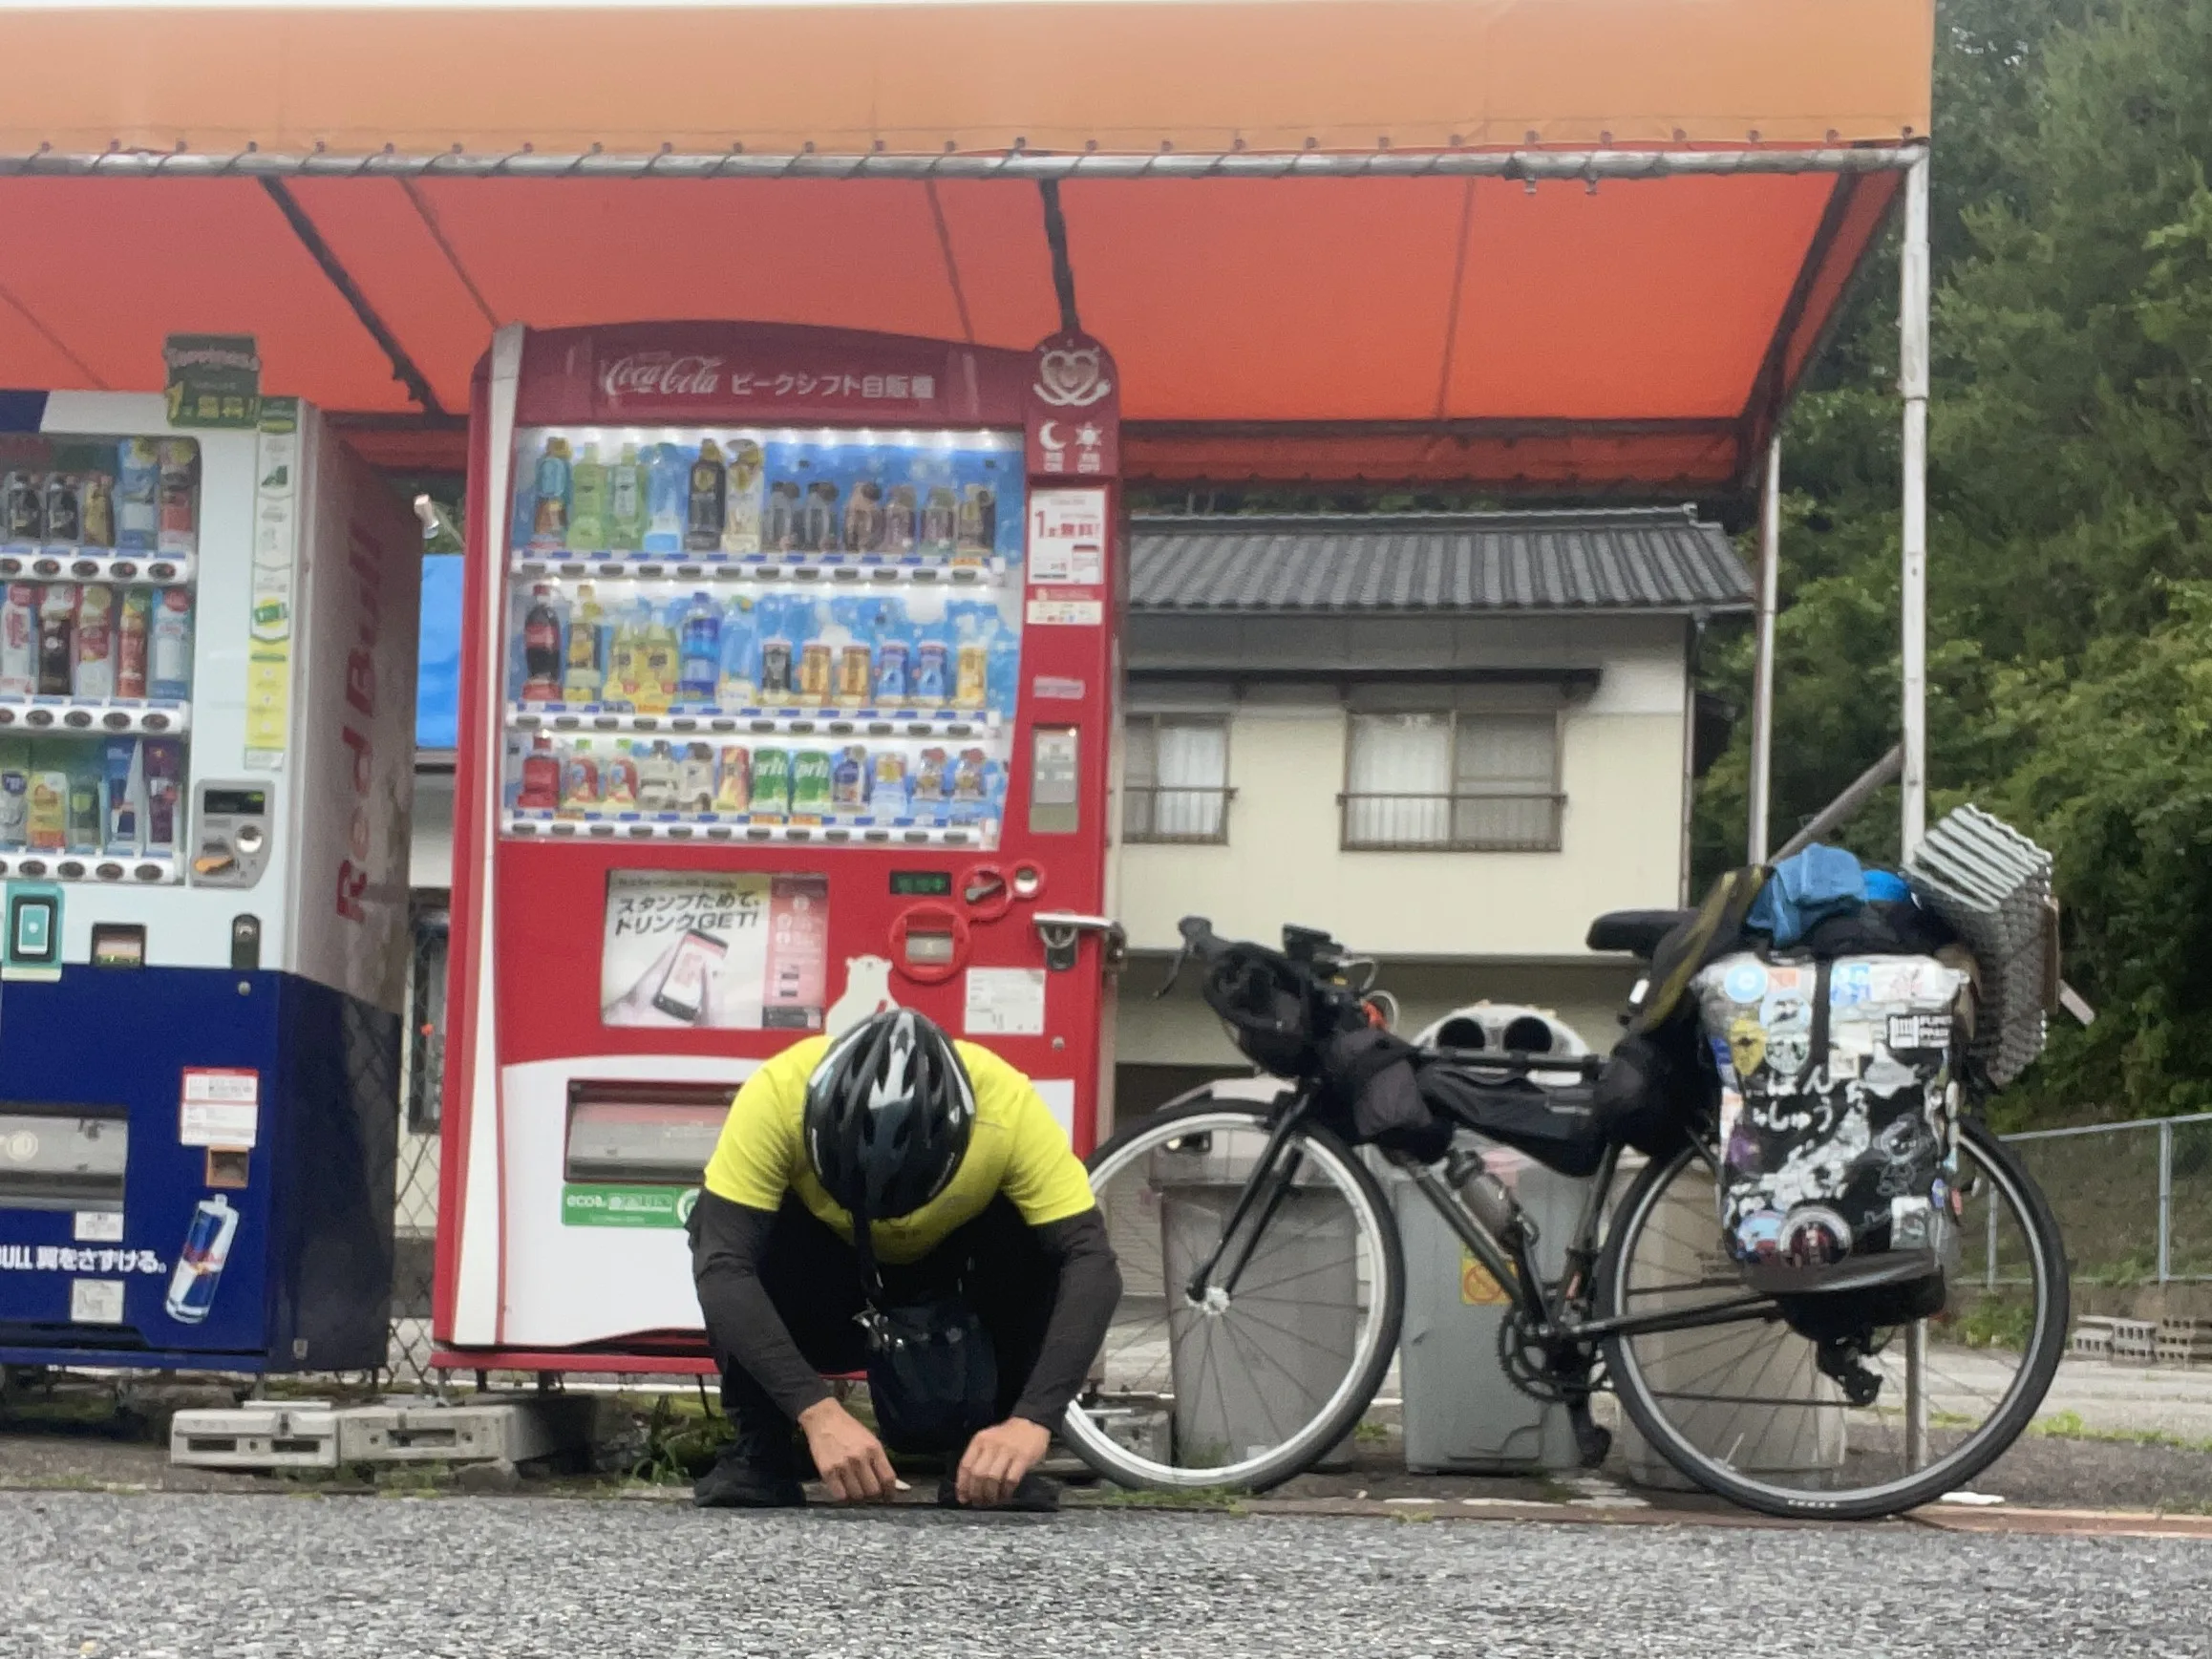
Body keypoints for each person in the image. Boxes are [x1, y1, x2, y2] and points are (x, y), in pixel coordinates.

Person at [688, 1008, 1120, 1511]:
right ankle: (759, 1452)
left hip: (948, 1280)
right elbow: (723, 1266)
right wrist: (817, 1412)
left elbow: (1092, 1263)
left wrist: (1034, 1418)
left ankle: (989, 1455)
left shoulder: (1007, 1106)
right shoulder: (777, 1092)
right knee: (721, 1231)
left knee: (1045, 1237)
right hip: (824, 1281)